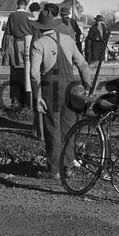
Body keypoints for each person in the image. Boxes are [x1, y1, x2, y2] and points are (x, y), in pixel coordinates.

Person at [30, 10, 92, 177]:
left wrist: (36, 96)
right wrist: (87, 86)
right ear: (53, 26)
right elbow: (83, 65)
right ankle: (68, 166)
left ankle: (54, 169)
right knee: (69, 127)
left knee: (53, 128)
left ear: (40, 27)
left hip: (52, 89)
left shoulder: (39, 44)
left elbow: (34, 73)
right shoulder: (68, 40)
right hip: (71, 88)